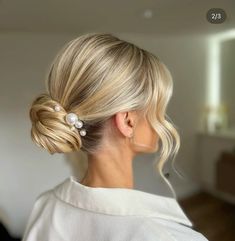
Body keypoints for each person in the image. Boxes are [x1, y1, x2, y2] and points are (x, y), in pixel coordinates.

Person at [22, 32, 209, 241]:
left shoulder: (46, 206)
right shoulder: (165, 236)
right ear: (128, 121)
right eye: (157, 109)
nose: (162, 122)